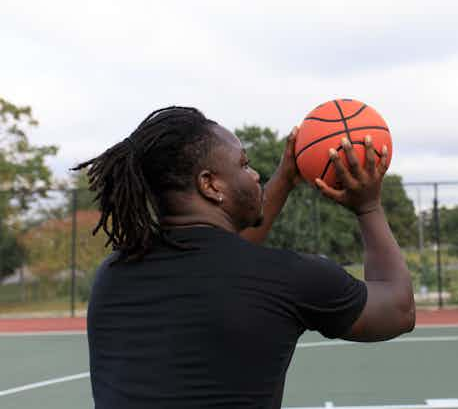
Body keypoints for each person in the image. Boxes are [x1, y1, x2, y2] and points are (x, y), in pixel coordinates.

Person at [75, 106, 414, 409]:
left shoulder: (113, 275)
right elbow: (398, 310)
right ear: (210, 185)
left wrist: (285, 177)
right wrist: (368, 206)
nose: (254, 175)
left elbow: (221, 258)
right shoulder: (285, 277)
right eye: (244, 164)